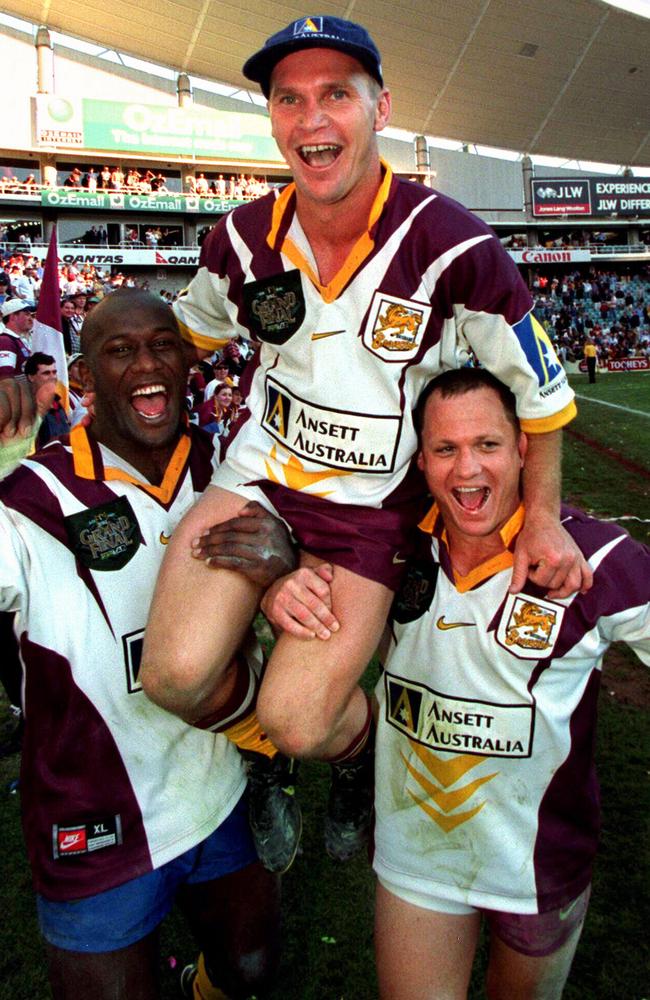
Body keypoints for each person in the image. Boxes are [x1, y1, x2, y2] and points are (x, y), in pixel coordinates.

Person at [141, 16, 592, 864]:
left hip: (372, 510)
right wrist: (66, 378)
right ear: (272, 119)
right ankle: (258, 755)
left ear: (380, 107)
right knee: (170, 678)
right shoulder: (239, 239)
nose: (313, 120)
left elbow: (541, 391)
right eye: (291, 99)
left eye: (336, 95)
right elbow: (174, 339)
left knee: (303, 717)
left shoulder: (452, 241)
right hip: (258, 484)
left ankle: (352, 755)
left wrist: (543, 517)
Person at [263, 367, 650, 999]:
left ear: (524, 447)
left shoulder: (594, 559)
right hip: (419, 857)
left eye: (487, 445)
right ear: (421, 462)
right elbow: (289, 538)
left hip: (539, 866)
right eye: (446, 449)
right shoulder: (386, 553)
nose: (467, 470)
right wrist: (281, 585)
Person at [0, 289, 297, 1000]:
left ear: (188, 358)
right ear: (82, 376)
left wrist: (283, 558)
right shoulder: (30, 501)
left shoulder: (228, 469)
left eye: (163, 345)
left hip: (216, 789)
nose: (146, 365)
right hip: (92, 815)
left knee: (251, 970)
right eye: (119, 350)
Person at [23, 352, 71, 447]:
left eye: (54, 372)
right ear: (31, 377)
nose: (52, 377)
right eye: (46, 373)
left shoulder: (58, 403)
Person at [0, 299, 33, 377]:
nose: (31, 318)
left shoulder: (16, 340)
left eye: (31, 315)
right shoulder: (5, 341)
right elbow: (5, 379)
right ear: (13, 317)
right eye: (26, 314)